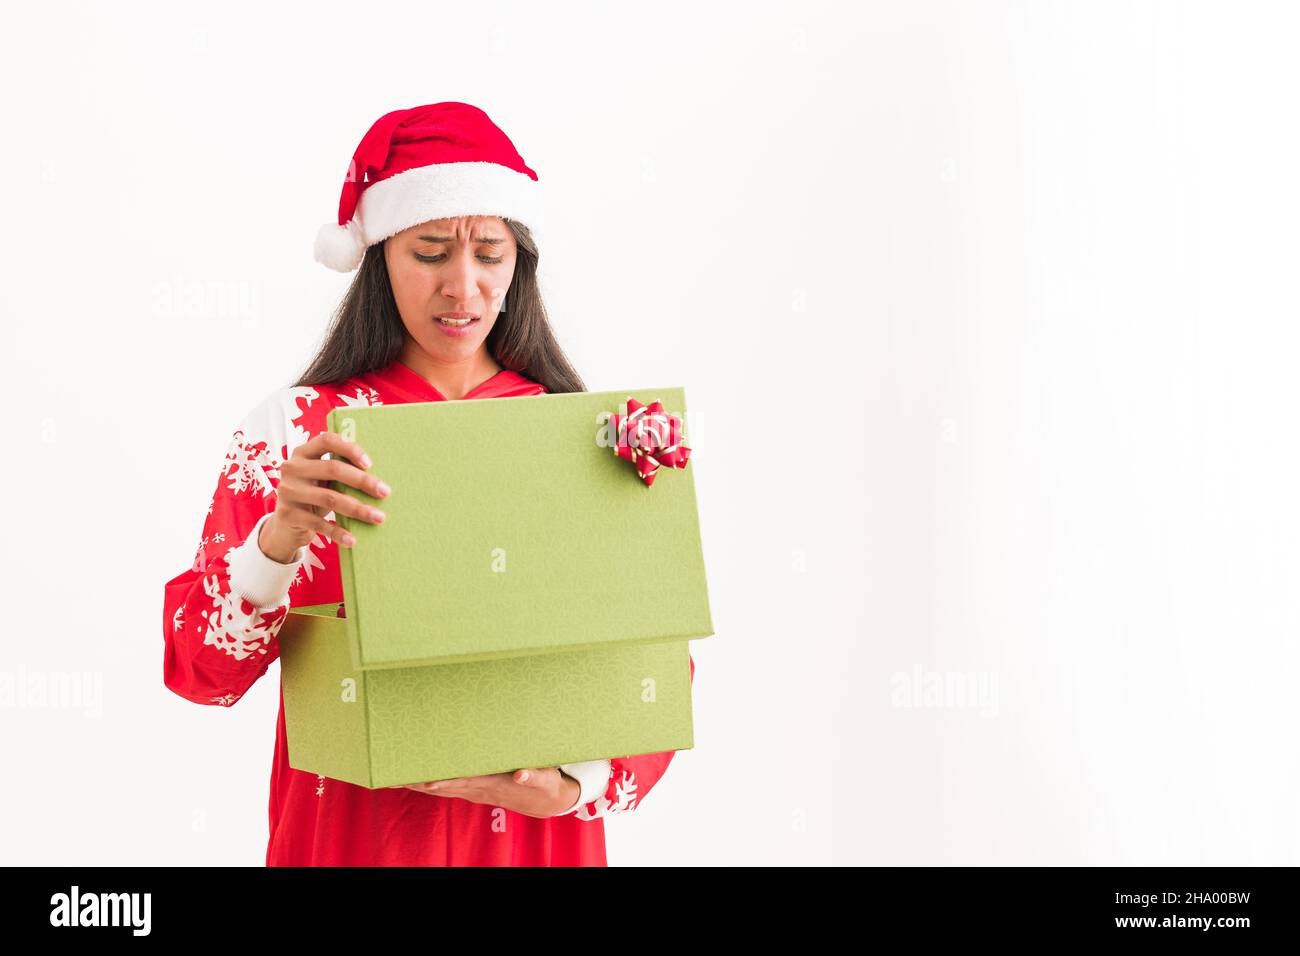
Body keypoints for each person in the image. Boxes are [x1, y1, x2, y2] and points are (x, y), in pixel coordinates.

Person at [161, 102, 694, 866]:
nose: (464, 287)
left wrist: (580, 786)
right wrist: (277, 539)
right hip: (348, 839)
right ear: (379, 258)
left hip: (532, 842)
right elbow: (200, 674)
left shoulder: (587, 434)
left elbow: (655, 670)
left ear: (520, 265)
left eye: (491, 253)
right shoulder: (296, 431)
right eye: (432, 251)